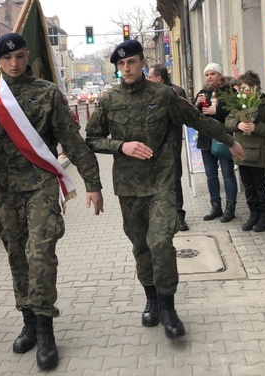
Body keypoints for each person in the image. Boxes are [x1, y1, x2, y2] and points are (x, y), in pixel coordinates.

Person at [0, 34, 104, 370]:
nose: (14, 64)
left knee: (40, 253)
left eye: (19, 56)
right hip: (4, 190)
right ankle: (29, 320)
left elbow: (70, 139)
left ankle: (46, 328)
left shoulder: (46, 92)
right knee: (17, 255)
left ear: (27, 55)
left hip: (41, 186)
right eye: (6, 59)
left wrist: (93, 182)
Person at [85, 41, 244, 340]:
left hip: (161, 182)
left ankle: (169, 306)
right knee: (141, 246)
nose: (127, 68)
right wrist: (120, 146)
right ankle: (151, 299)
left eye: (131, 62)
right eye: (121, 64)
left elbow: (196, 119)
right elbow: (91, 137)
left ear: (143, 63)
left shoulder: (163, 95)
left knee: (160, 242)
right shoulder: (109, 100)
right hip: (129, 187)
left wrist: (230, 140)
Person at [224, 70, 265, 232]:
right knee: (248, 186)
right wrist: (238, 125)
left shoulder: (264, 104)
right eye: (242, 89)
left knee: (260, 186)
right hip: (241, 152)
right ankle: (253, 213)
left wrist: (256, 127)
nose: (245, 92)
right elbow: (227, 121)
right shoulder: (238, 105)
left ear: (256, 88)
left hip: (258, 154)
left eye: (248, 89)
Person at [194, 63, 239, 222]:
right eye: (207, 74)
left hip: (223, 138)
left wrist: (217, 111)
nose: (209, 77)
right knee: (211, 175)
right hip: (206, 138)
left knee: (227, 174)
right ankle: (216, 207)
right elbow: (194, 116)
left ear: (220, 75)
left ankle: (230, 208)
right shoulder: (202, 92)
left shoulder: (230, 91)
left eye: (212, 74)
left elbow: (236, 112)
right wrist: (197, 105)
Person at [147, 63, 190, 231]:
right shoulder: (148, 93)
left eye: (150, 76)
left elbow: (185, 116)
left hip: (172, 145)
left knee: (174, 180)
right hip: (152, 147)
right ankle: (162, 216)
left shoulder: (177, 92)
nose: (148, 79)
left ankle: (179, 215)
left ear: (158, 78)